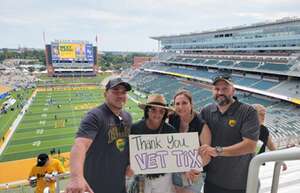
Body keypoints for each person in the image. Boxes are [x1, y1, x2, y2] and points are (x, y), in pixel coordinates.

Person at [65, 77, 132, 193]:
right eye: (115, 91)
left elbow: (126, 145)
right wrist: (76, 177)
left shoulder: (127, 117)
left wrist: (130, 163)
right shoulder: (95, 116)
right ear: (105, 94)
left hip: (119, 184)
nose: (120, 95)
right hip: (95, 186)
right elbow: (80, 144)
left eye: (123, 92)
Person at [199, 74, 260, 193]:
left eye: (225, 88)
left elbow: (250, 145)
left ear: (233, 90)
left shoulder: (248, 111)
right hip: (211, 180)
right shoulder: (206, 111)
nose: (220, 92)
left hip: (238, 184)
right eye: (217, 89)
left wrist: (218, 151)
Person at [131, 94, 176, 193]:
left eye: (161, 111)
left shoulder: (170, 130)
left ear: (165, 113)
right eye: (153, 110)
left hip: (163, 177)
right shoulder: (135, 128)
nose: (157, 114)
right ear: (147, 110)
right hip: (142, 176)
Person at [169, 90, 211, 193]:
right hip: (175, 170)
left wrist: (195, 169)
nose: (180, 106)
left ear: (191, 104)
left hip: (194, 174)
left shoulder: (202, 125)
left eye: (184, 103)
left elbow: (207, 155)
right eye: (177, 104)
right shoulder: (172, 118)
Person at [252, 104, 287, 171]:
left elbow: (271, 145)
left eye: (264, 114)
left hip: (255, 164)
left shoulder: (263, 130)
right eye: (261, 114)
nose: (263, 117)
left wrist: (280, 160)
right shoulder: (242, 127)